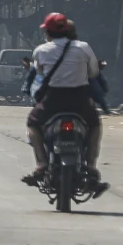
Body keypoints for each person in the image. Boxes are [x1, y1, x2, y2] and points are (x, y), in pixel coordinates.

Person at [22, 13, 108, 196]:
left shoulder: (41, 50)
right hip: (79, 99)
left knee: (33, 124)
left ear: (48, 32)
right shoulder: (84, 48)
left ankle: (41, 164)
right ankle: (91, 166)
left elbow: (40, 72)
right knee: (94, 125)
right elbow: (93, 73)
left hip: (53, 99)